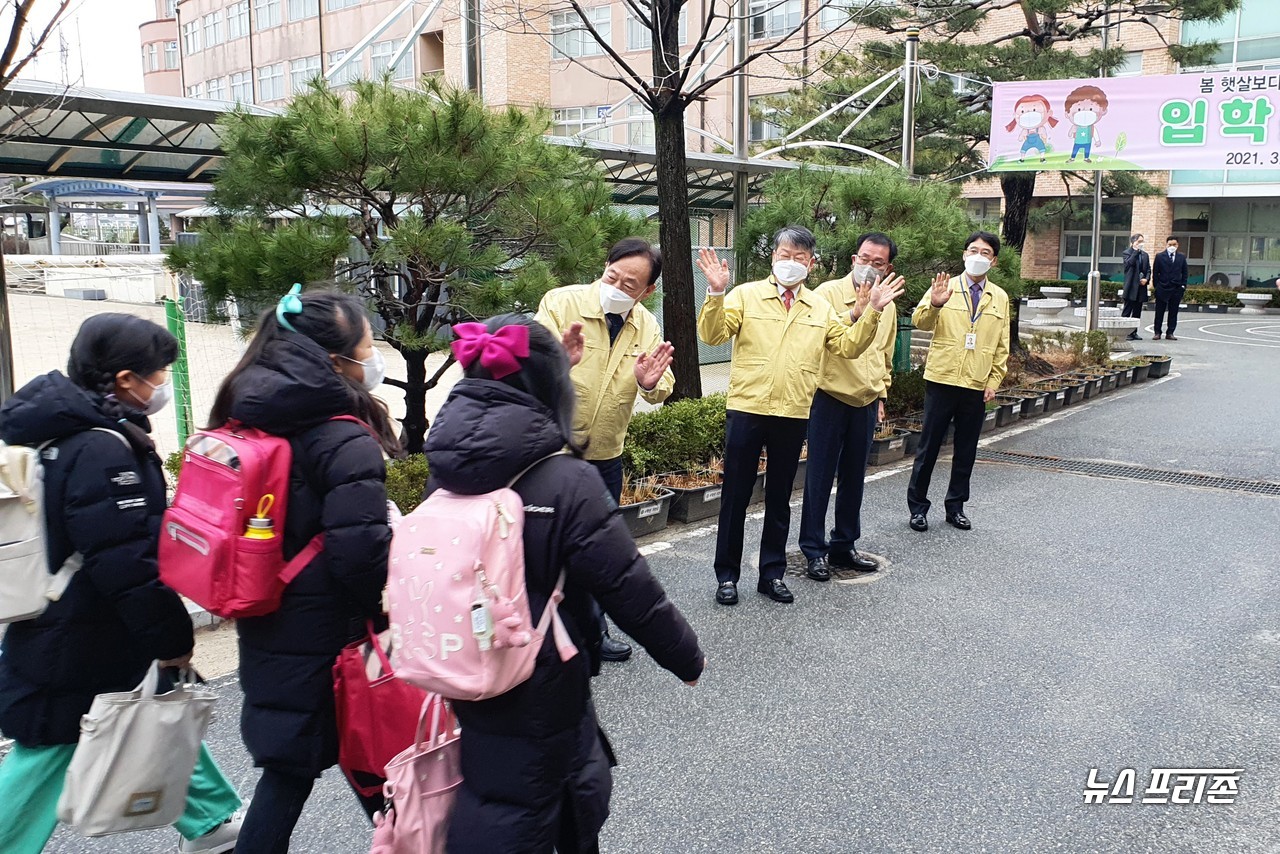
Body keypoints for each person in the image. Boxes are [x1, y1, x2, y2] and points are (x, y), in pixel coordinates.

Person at [424, 314, 704, 853]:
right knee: (554, 798)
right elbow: (627, 585)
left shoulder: (448, 464)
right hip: (544, 667)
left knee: (491, 777)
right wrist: (685, 658)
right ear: (551, 384)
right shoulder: (565, 479)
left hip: (465, 652)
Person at [0, 314, 242, 854]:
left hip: (69, 618)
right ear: (127, 379)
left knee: (148, 705)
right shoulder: (102, 449)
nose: (161, 386)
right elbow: (125, 559)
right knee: (54, 744)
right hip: (81, 629)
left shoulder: (61, 432)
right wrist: (172, 635)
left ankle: (212, 820)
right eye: (159, 375)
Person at [207, 289, 400, 853]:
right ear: (334, 361)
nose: (373, 360)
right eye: (368, 348)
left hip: (269, 609)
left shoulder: (246, 409)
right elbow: (360, 551)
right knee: (390, 764)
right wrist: (382, 607)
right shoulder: (342, 436)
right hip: (336, 635)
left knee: (293, 770)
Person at [696, 226, 903, 606]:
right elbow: (712, 335)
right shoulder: (745, 296)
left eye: (800, 257)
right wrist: (715, 291)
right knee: (735, 496)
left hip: (793, 410)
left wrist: (871, 311)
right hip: (748, 407)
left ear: (811, 263)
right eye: (785, 255)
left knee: (779, 499)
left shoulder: (819, 307)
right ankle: (727, 576)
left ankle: (772, 574)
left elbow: (849, 346)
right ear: (773, 257)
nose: (791, 263)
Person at [535, 237, 674, 664]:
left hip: (605, 455)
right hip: (551, 454)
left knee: (598, 553)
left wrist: (651, 383)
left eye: (630, 284)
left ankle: (593, 632)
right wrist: (555, 364)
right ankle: (539, 634)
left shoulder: (646, 324)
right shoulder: (562, 303)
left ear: (648, 291)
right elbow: (525, 365)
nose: (616, 286)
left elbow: (661, 386)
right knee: (542, 548)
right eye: (612, 275)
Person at [799, 233, 900, 582]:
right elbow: (823, 344)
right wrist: (857, 313)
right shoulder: (826, 294)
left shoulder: (888, 302)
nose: (869, 267)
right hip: (829, 397)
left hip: (867, 400)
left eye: (878, 263)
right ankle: (813, 549)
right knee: (819, 476)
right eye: (864, 258)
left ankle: (844, 544)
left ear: (888, 268)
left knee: (855, 477)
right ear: (852, 259)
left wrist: (882, 395)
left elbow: (885, 353)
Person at [907, 231, 1011, 533]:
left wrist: (994, 379)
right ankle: (918, 507)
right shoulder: (945, 287)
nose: (979, 256)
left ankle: (956, 506)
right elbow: (920, 322)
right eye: (973, 250)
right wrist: (935, 304)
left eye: (986, 252)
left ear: (994, 260)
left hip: (977, 383)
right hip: (942, 378)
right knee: (929, 446)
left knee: (966, 449)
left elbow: (1002, 344)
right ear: (964, 254)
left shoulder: (999, 297)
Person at [1151, 236, 1188, 341]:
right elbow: (1155, 273)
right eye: (1170, 245)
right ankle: (1157, 332)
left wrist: (1183, 286)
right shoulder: (1159, 256)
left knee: (1173, 311)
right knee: (1159, 311)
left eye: (1174, 245)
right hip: (1162, 287)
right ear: (1166, 245)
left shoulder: (1181, 257)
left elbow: (1184, 273)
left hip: (1176, 288)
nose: (1172, 247)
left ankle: (1170, 332)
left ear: (1178, 245)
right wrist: (1157, 286)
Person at [1121, 234, 1151, 340]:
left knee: (1137, 311)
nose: (1141, 244)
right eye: (1139, 241)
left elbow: (1148, 269)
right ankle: (1123, 332)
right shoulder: (1127, 253)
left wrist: (1146, 279)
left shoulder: (1145, 255)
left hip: (1141, 287)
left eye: (1142, 241)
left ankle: (1134, 332)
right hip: (1131, 286)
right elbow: (1129, 264)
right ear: (1133, 242)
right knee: (1127, 310)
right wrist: (1135, 251)